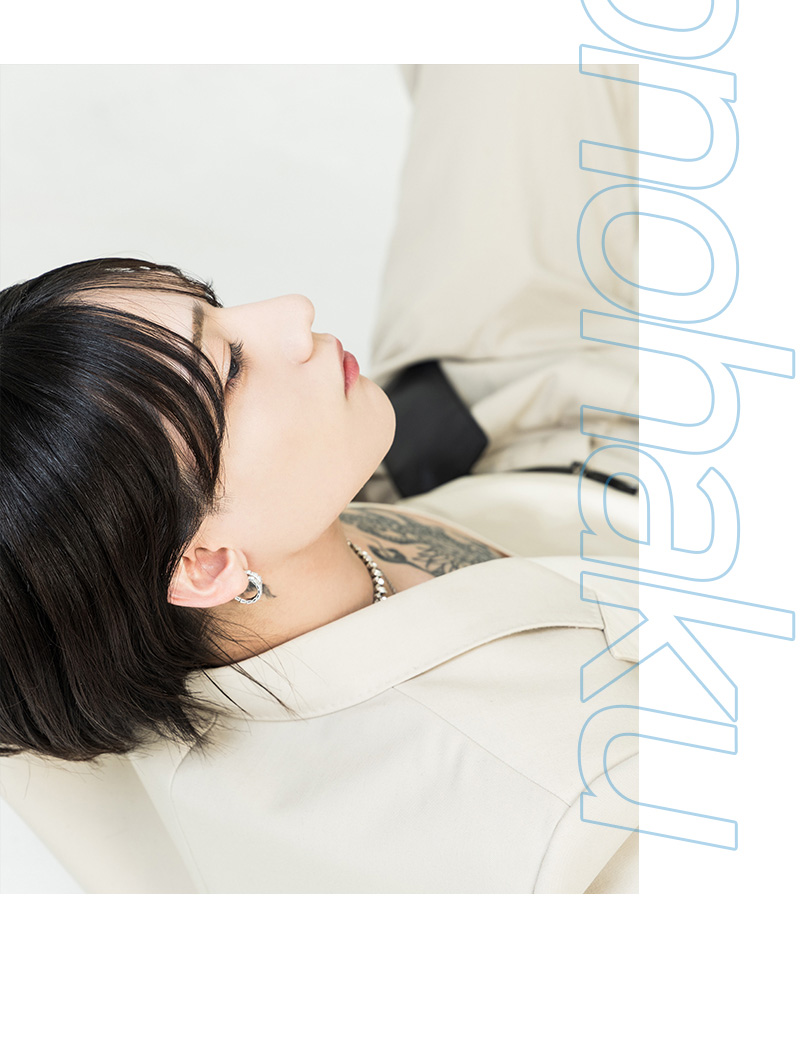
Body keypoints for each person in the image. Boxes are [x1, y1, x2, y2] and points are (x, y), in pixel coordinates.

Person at [0, 66, 640, 893]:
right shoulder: (568, 802)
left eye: (214, 304)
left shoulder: (62, 628)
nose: (293, 312)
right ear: (205, 564)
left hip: (479, 434)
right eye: (231, 370)